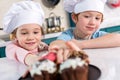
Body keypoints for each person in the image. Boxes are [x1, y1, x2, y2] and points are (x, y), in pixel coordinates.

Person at [49, 0, 120, 62]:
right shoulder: (69, 34)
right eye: (87, 16)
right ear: (74, 17)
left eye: (97, 18)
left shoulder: (97, 35)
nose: (92, 22)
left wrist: (81, 44)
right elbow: (55, 45)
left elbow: (118, 38)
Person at [3, 1, 56, 66]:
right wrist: (31, 59)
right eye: (24, 33)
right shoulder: (11, 48)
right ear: (15, 35)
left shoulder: (40, 46)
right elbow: (18, 53)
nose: (31, 37)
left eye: (35, 32)